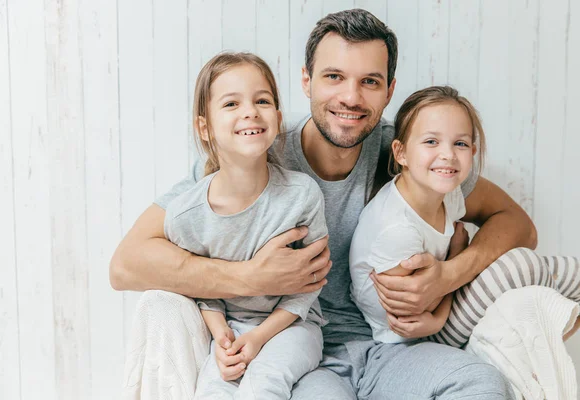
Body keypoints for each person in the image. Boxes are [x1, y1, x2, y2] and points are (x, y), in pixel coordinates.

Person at [112, 8, 580, 400]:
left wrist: (448, 276)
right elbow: (127, 265)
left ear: (390, 90)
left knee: (481, 384)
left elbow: (516, 223)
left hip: (391, 349)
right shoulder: (256, 153)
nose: (351, 98)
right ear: (307, 80)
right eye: (334, 77)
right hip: (299, 349)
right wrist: (247, 278)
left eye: (370, 82)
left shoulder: (410, 152)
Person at [350, 85, 568, 348]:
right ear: (401, 153)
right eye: (431, 141)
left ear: (472, 153)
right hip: (411, 335)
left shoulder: (449, 194)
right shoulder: (397, 229)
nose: (448, 155)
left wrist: (451, 269)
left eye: (460, 143)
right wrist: (455, 255)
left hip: (436, 311)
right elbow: (414, 312)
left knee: (564, 274)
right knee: (524, 266)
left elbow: (526, 233)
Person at [164, 52, 328, 399]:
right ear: (204, 127)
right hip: (232, 328)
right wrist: (223, 337)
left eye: (262, 100)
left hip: (293, 326)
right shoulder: (185, 216)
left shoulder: (302, 195)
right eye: (231, 104)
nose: (250, 111)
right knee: (212, 390)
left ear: (278, 118)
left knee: (262, 386)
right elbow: (200, 288)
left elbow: (310, 285)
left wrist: (259, 337)